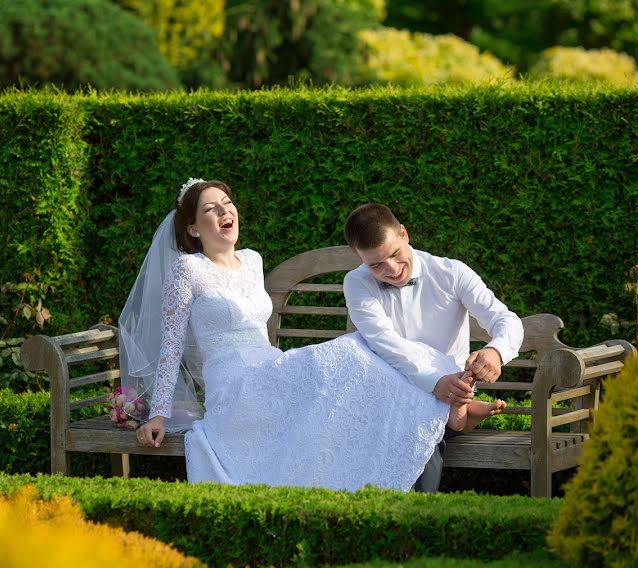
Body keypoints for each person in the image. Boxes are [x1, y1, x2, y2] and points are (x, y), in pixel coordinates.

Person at [125, 178, 504, 492]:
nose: (226, 212)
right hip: (234, 388)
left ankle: (456, 411)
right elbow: (172, 344)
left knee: (352, 365)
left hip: (266, 370)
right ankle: (456, 412)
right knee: (352, 350)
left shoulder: (252, 261)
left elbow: (257, 331)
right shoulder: (186, 271)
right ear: (192, 227)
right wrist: (158, 413)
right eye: (211, 209)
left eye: (227, 203)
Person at [342, 203, 524, 492]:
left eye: (394, 254)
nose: (391, 269)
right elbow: (384, 344)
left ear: (404, 234)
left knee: (419, 427)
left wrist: (496, 351)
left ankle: (416, 518)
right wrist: (433, 382)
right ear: (358, 257)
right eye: (375, 264)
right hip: (389, 392)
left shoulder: (451, 273)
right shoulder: (356, 283)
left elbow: (505, 320)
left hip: (449, 395)